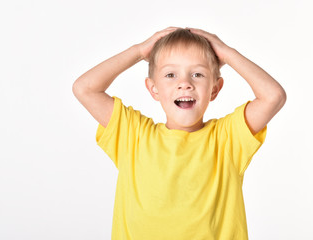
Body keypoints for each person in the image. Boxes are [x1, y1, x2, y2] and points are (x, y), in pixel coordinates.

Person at [72, 26, 286, 240]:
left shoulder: (227, 139)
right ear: (153, 88)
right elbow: (84, 88)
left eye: (197, 74)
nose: (185, 84)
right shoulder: (133, 134)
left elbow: (273, 96)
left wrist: (227, 53)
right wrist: (138, 51)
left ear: (214, 89)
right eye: (171, 74)